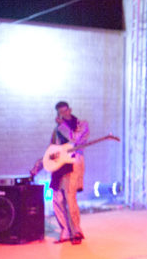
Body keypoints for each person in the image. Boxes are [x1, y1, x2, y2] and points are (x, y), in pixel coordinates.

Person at [49, 101, 89, 244]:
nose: (64, 114)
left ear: (70, 110)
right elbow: (52, 148)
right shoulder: (57, 130)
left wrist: (62, 126)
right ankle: (65, 231)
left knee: (70, 198)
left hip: (73, 164)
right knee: (57, 199)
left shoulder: (81, 124)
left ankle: (76, 231)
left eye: (66, 111)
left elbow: (75, 139)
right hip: (59, 166)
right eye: (61, 112)